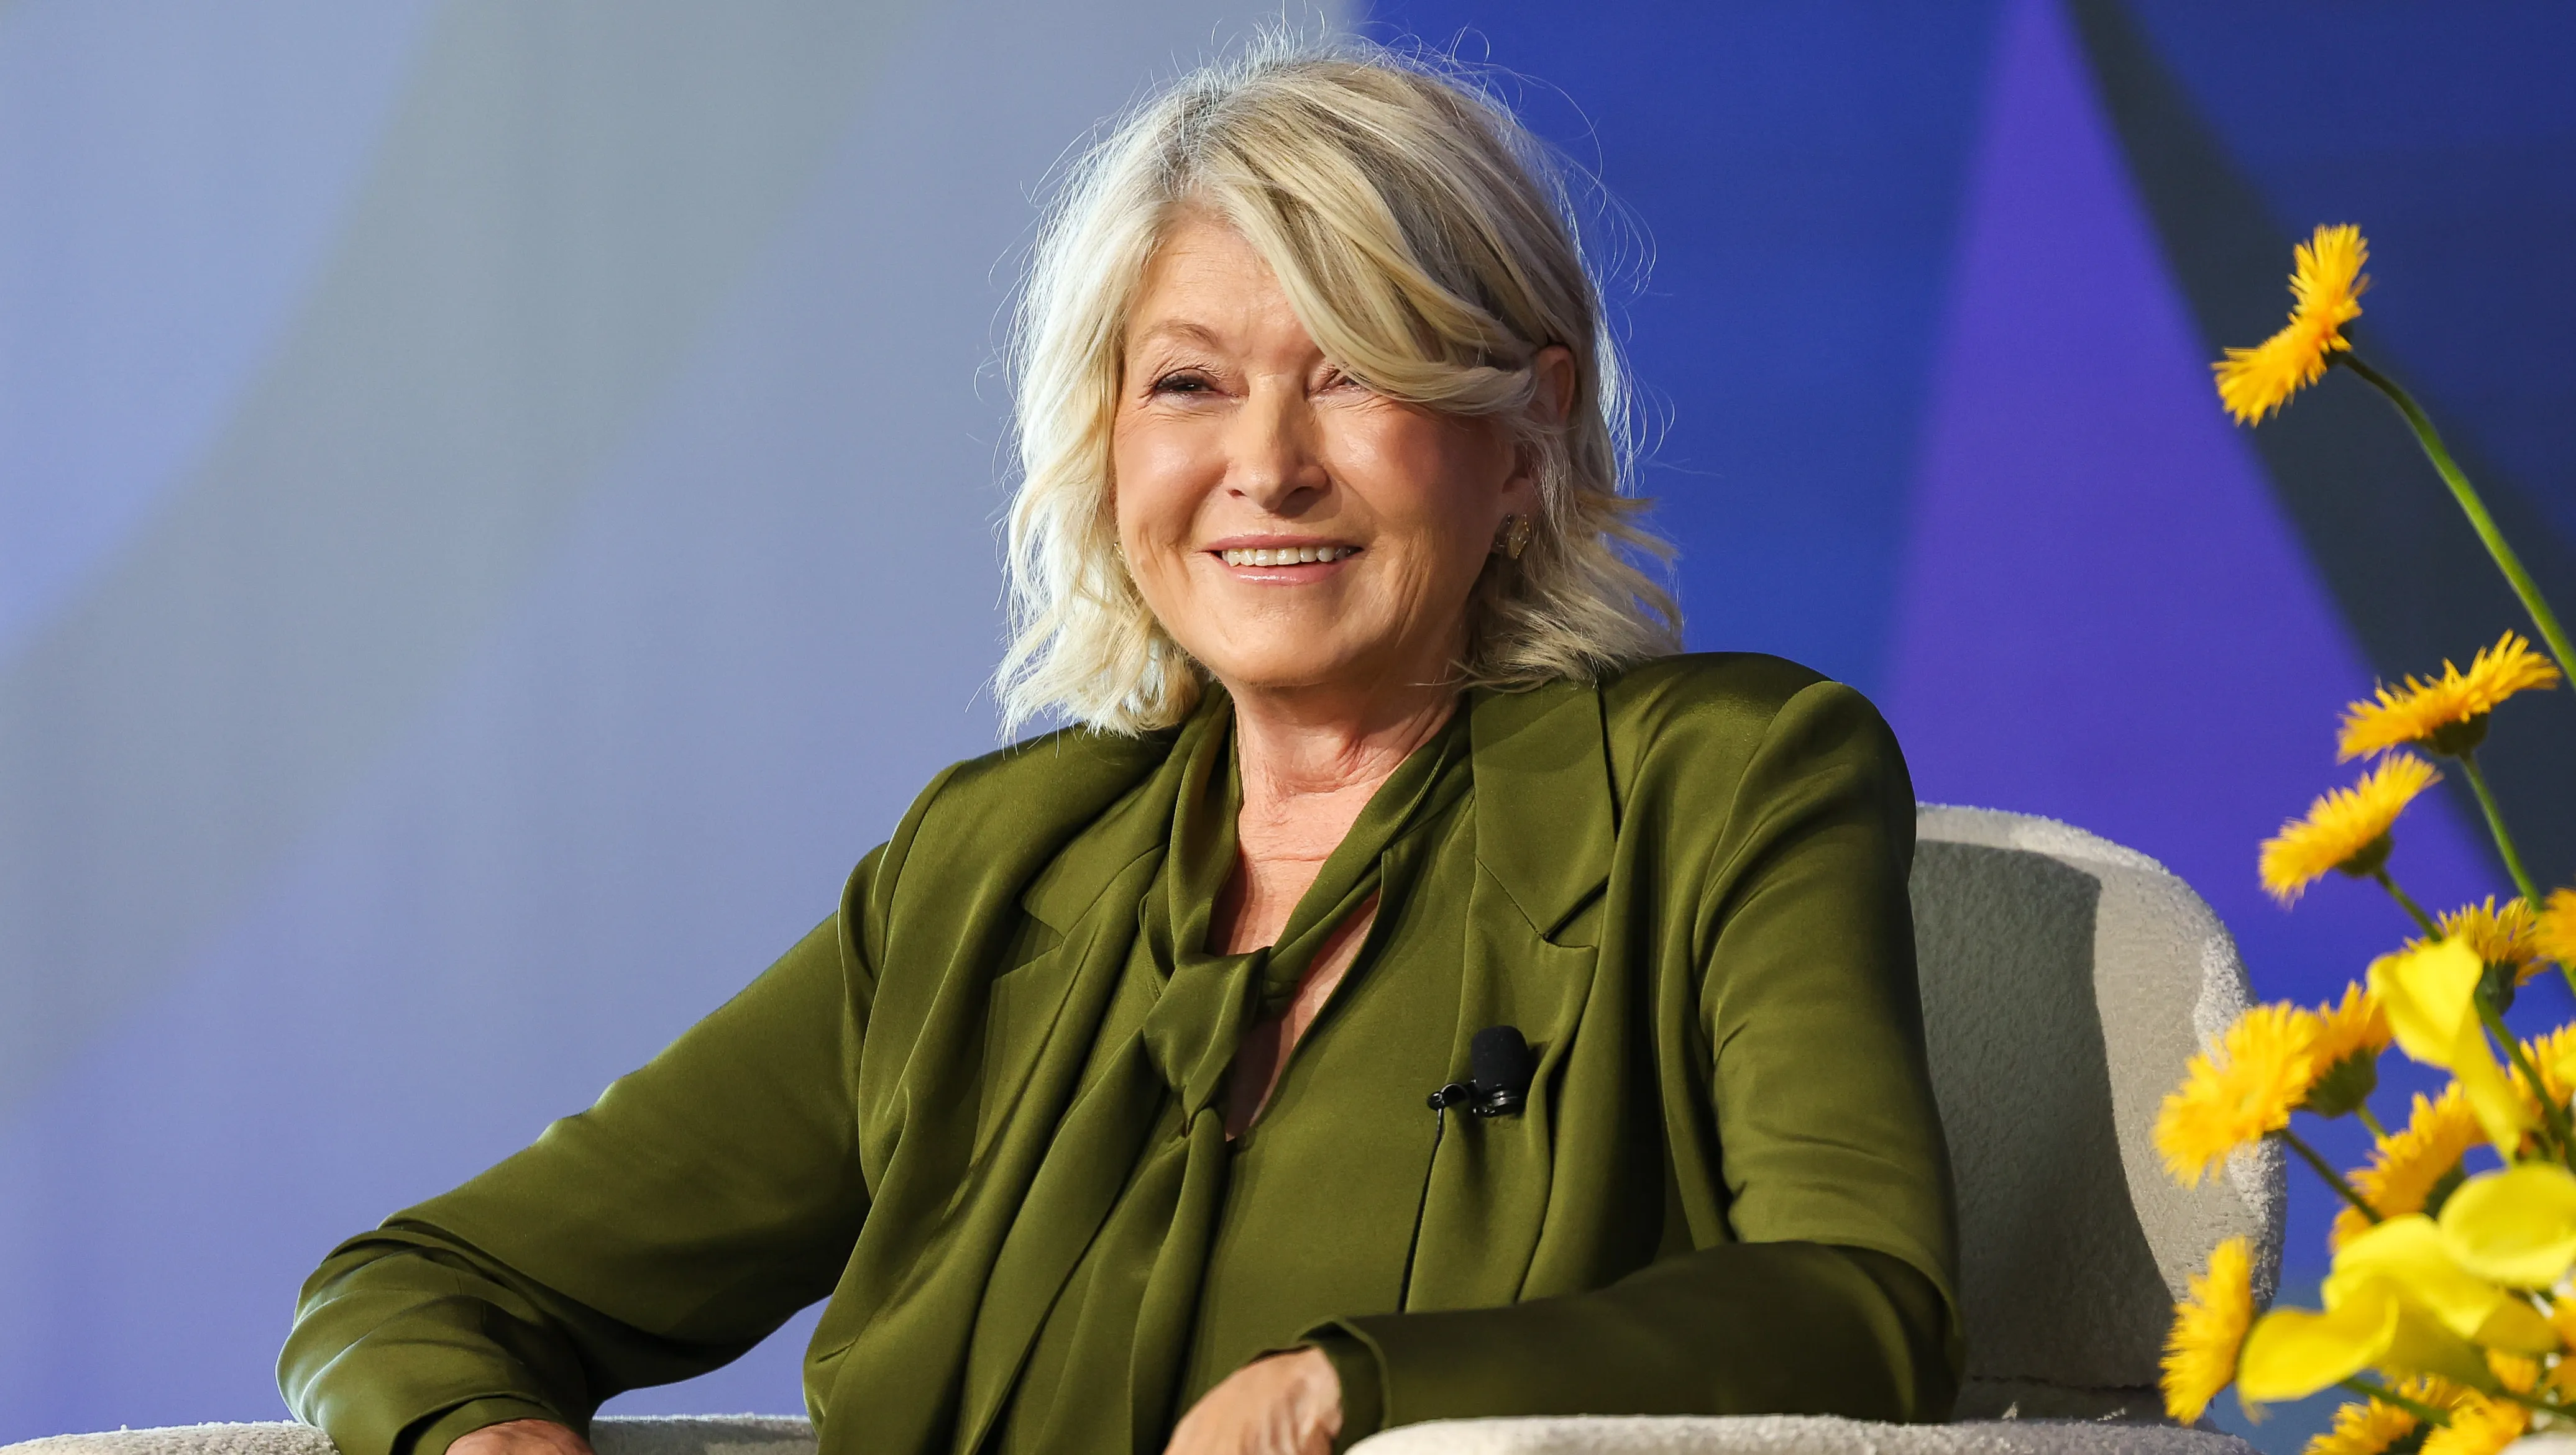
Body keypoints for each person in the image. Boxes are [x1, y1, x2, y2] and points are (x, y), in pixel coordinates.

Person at [281, 40, 1960, 1455]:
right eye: (1189, 384)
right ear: (1102, 447)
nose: (1269, 464)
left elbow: (1861, 1306)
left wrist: (1356, 1393)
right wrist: (471, 1434)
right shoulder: (987, 872)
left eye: (1355, 373)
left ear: (1523, 436)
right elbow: (420, 1290)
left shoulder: (1735, 779)